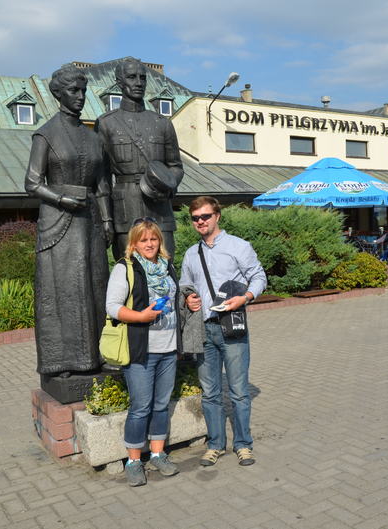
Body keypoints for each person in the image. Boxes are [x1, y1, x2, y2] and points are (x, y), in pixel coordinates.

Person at [24, 64, 112, 376]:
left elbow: (102, 183)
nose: (80, 96)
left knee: (96, 285)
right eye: (74, 91)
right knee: (65, 289)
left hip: (91, 220)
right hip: (59, 221)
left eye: (83, 91)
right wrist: (62, 199)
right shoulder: (46, 134)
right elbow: (32, 182)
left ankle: (100, 355)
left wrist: (108, 221)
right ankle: (62, 361)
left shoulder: (93, 137)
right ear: (58, 94)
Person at [180, 196, 267, 467]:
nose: (200, 221)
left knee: (239, 391)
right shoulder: (191, 254)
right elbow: (185, 285)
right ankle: (215, 444)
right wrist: (188, 298)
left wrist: (246, 297)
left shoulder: (238, 246)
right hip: (204, 329)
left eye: (205, 216)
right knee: (210, 393)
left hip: (232, 326)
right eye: (195, 218)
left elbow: (259, 277)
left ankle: (243, 444)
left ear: (217, 216)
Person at [105, 218, 181, 487]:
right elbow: (112, 306)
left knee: (161, 405)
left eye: (153, 239)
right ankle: (134, 461)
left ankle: (158, 454)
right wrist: (140, 316)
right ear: (134, 243)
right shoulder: (125, 268)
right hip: (141, 349)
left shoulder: (168, 266)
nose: (149, 244)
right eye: (143, 240)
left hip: (169, 347)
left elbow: (175, 299)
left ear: (160, 240)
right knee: (140, 407)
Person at [96, 57, 184, 261]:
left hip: (160, 209)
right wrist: (106, 219)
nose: (138, 83)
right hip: (125, 210)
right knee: (129, 270)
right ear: (119, 82)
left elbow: (176, 166)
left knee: (166, 267)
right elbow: (102, 178)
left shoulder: (162, 123)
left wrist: (167, 186)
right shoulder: (106, 123)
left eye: (142, 78)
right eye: (131, 77)